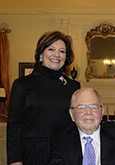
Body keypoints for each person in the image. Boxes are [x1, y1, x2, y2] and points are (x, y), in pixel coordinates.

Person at [7, 31, 81, 165]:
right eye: (51, 49)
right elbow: (14, 126)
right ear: (41, 54)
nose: (56, 55)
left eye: (62, 51)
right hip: (32, 153)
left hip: (65, 152)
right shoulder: (22, 84)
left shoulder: (74, 86)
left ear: (66, 57)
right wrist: (15, 160)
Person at [48, 88, 115, 165]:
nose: (88, 112)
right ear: (71, 114)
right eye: (81, 107)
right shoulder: (60, 139)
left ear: (101, 112)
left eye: (93, 107)